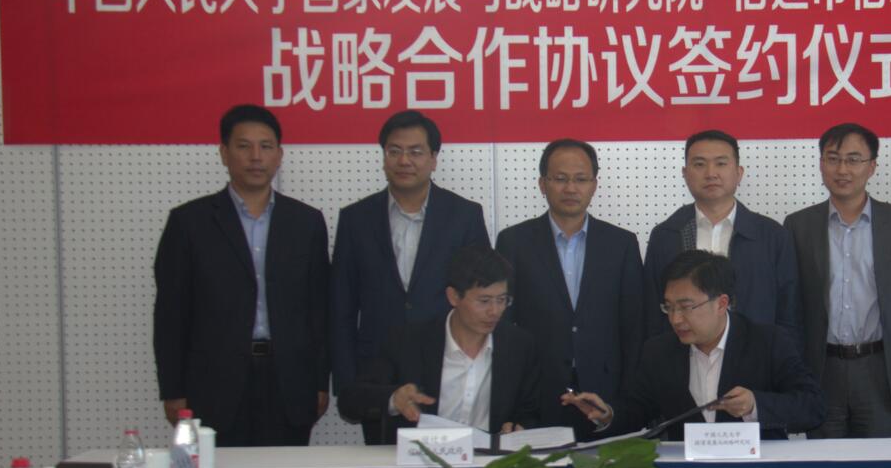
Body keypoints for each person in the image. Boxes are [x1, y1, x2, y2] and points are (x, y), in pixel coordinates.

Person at [153, 104, 329, 446]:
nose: (255, 157)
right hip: (213, 384)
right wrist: (172, 390)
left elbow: (319, 310)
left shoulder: (306, 222)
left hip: (289, 382)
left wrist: (321, 382)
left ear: (279, 155)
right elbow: (170, 315)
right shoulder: (189, 223)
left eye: (266, 146)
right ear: (224, 153)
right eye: (244, 146)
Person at [330, 110, 490, 440]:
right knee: (383, 467)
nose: (404, 160)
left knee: (452, 466)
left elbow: (481, 298)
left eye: (415, 151)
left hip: (449, 370)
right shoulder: (356, 219)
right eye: (395, 151)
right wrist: (347, 384)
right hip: (378, 377)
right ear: (384, 156)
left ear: (433, 158)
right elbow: (341, 308)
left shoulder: (464, 216)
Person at [562, 250, 824, 440]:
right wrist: (607, 414)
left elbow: (812, 406)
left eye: (686, 307)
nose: (676, 319)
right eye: (669, 307)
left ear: (721, 303)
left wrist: (755, 404)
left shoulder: (768, 341)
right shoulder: (658, 352)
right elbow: (638, 409)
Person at [784, 123, 891, 438]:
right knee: (824, 464)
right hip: (822, 369)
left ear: (872, 166)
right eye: (833, 159)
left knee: (883, 463)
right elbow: (791, 309)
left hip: (882, 370)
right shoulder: (798, 226)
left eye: (853, 159)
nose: (842, 169)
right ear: (821, 163)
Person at [495, 139, 645, 438]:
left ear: (594, 185)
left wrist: (626, 401)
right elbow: (503, 326)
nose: (571, 188)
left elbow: (634, 327)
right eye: (560, 179)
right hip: (536, 393)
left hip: (604, 393)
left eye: (581, 179)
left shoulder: (622, 244)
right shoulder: (513, 242)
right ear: (543, 184)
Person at [339, 247, 541, 440]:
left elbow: (528, 412)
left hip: (486, 460)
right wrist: (393, 398)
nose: (495, 311)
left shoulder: (518, 346)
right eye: (484, 301)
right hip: (420, 457)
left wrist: (518, 427)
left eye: (502, 300)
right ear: (453, 296)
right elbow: (350, 402)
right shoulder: (407, 341)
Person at [643, 129, 800, 342]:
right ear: (685, 173)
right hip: (682, 355)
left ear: (739, 173)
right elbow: (652, 313)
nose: (711, 173)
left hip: (755, 354)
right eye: (699, 164)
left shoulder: (772, 236)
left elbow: (789, 313)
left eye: (721, 163)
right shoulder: (666, 235)